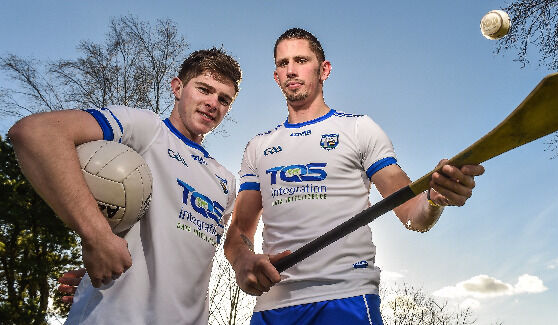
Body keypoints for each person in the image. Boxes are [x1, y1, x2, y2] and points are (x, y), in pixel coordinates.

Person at [223, 28, 485, 325]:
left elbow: (411, 211)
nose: (291, 70)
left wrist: (434, 199)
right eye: (283, 64)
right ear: (276, 76)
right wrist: (243, 260)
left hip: (346, 298)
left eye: (301, 60)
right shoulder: (259, 147)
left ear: (324, 69)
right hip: (272, 306)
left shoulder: (359, 130)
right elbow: (238, 233)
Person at [8, 48, 242, 324]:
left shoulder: (225, 181)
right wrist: (96, 236)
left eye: (223, 99)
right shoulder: (149, 129)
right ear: (177, 88)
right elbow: (37, 132)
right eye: (204, 89)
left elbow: (179, 255)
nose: (213, 103)